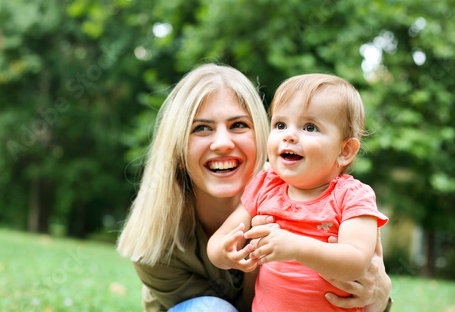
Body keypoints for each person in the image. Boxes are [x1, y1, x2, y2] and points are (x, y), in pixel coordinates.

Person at [117, 64, 393, 312]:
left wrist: (379, 298)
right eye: (201, 128)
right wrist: (245, 256)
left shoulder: (344, 197)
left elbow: (357, 270)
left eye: (238, 125)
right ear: (177, 150)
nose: (222, 143)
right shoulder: (156, 244)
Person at [207, 74, 389, 312]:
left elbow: (356, 263)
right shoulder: (266, 185)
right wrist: (223, 254)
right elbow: (220, 240)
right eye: (280, 125)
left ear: (345, 150)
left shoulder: (351, 196)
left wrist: (296, 247)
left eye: (310, 127)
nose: (289, 135)